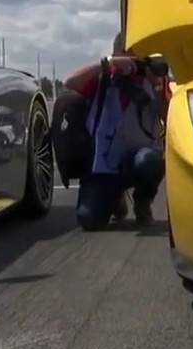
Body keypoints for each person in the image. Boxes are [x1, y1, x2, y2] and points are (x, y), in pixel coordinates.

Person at [62, 32, 169, 230]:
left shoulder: (154, 81)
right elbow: (70, 83)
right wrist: (108, 63)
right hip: (103, 164)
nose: (134, 62)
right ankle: (115, 197)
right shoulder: (103, 76)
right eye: (128, 54)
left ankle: (143, 201)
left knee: (151, 161)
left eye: (138, 55)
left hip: (139, 157)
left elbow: (169, 117)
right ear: (117, 52)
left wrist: (155, 85)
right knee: (89, 220)